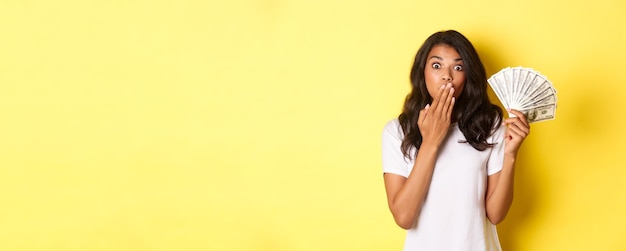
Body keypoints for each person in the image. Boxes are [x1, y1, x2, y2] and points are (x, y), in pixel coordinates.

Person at [381, 30, 530, 250]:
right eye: (436, 65)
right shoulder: (397, 131)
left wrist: (510, 155)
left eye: (458, 67)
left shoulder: (490, 125)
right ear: (422, 72)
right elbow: (404, 217)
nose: (447, 75)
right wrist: (431, 141)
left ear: (468, 76)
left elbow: (496, 214)